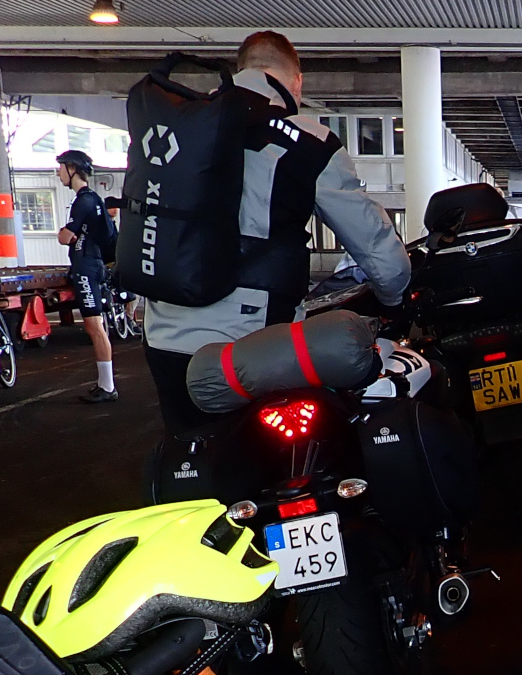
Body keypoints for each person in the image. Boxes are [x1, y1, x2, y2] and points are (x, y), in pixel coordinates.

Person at [141, 30, 413, 432]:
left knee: (192, 455)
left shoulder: (183, 126)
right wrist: (395, 300)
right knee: (292, 458)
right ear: (296, 80)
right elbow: (375, 247)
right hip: (251, 348)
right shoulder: (308, 141)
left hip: (162, 336)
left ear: (240, 70)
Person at [55, 148, 118, 403]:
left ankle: (108, 386)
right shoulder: (94, 200)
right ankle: (105, 383)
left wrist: (65, 234)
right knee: (95, 326)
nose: (58, 172)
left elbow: (65, 236)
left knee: (95, 326)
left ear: (72, 168)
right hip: (93, 263)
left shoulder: (84, 200)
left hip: (86, 266)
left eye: (61, 167)